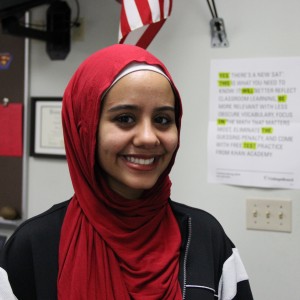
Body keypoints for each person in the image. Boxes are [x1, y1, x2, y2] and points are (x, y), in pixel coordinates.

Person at [0, 44, 253, 300]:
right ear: (86, 129)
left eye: (163, 120)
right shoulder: (33, 246)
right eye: (125, 118)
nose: (147, 138)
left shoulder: (205, 236)